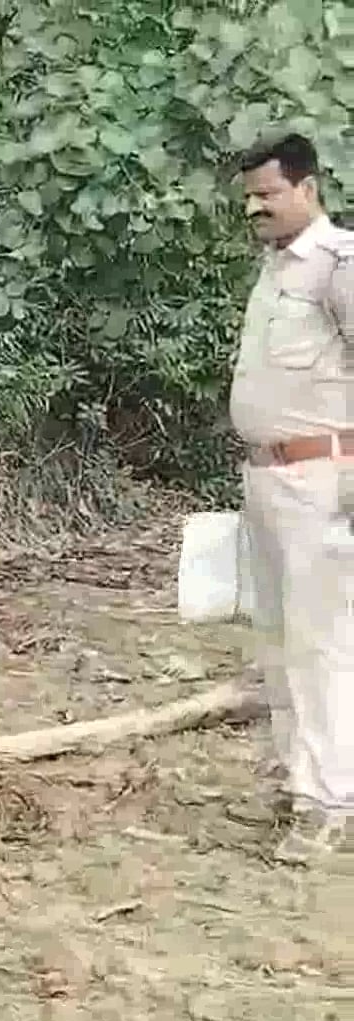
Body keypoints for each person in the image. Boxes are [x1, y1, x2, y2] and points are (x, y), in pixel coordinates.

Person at [227, 132, 352, 865]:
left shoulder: (338, 266)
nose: (255, 207)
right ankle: (302, 783)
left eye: (268, 194)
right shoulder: (276, 269)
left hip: (322, 481)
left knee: (321, 644)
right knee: (278, 641)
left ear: (307, 188)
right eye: (249, 196)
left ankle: (332, 802)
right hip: (268, 478)